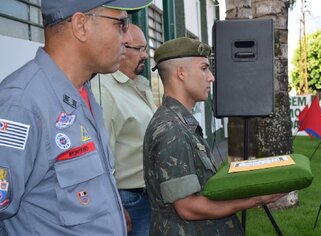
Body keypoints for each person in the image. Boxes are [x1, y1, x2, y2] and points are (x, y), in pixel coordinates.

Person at [0, 0, 152, 235]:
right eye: (121, 24)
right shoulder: (22, 105)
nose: (126, 39)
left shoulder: (82, 94)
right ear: (81, 26)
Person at [143, 37, 285, 235]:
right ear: (181, 73)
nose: (211, 77)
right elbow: (188, 207)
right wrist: (255, 199)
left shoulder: (180, 122)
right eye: (204, 68)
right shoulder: (171, 128)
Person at [91, 23, 156, 236]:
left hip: (147, 195)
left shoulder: (137, 85)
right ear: (122, 48)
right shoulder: (105, 90)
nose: (145, 55)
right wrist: (115, 206)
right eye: (140, 49)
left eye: (146, 49)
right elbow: (101, 152)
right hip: (128, 200)